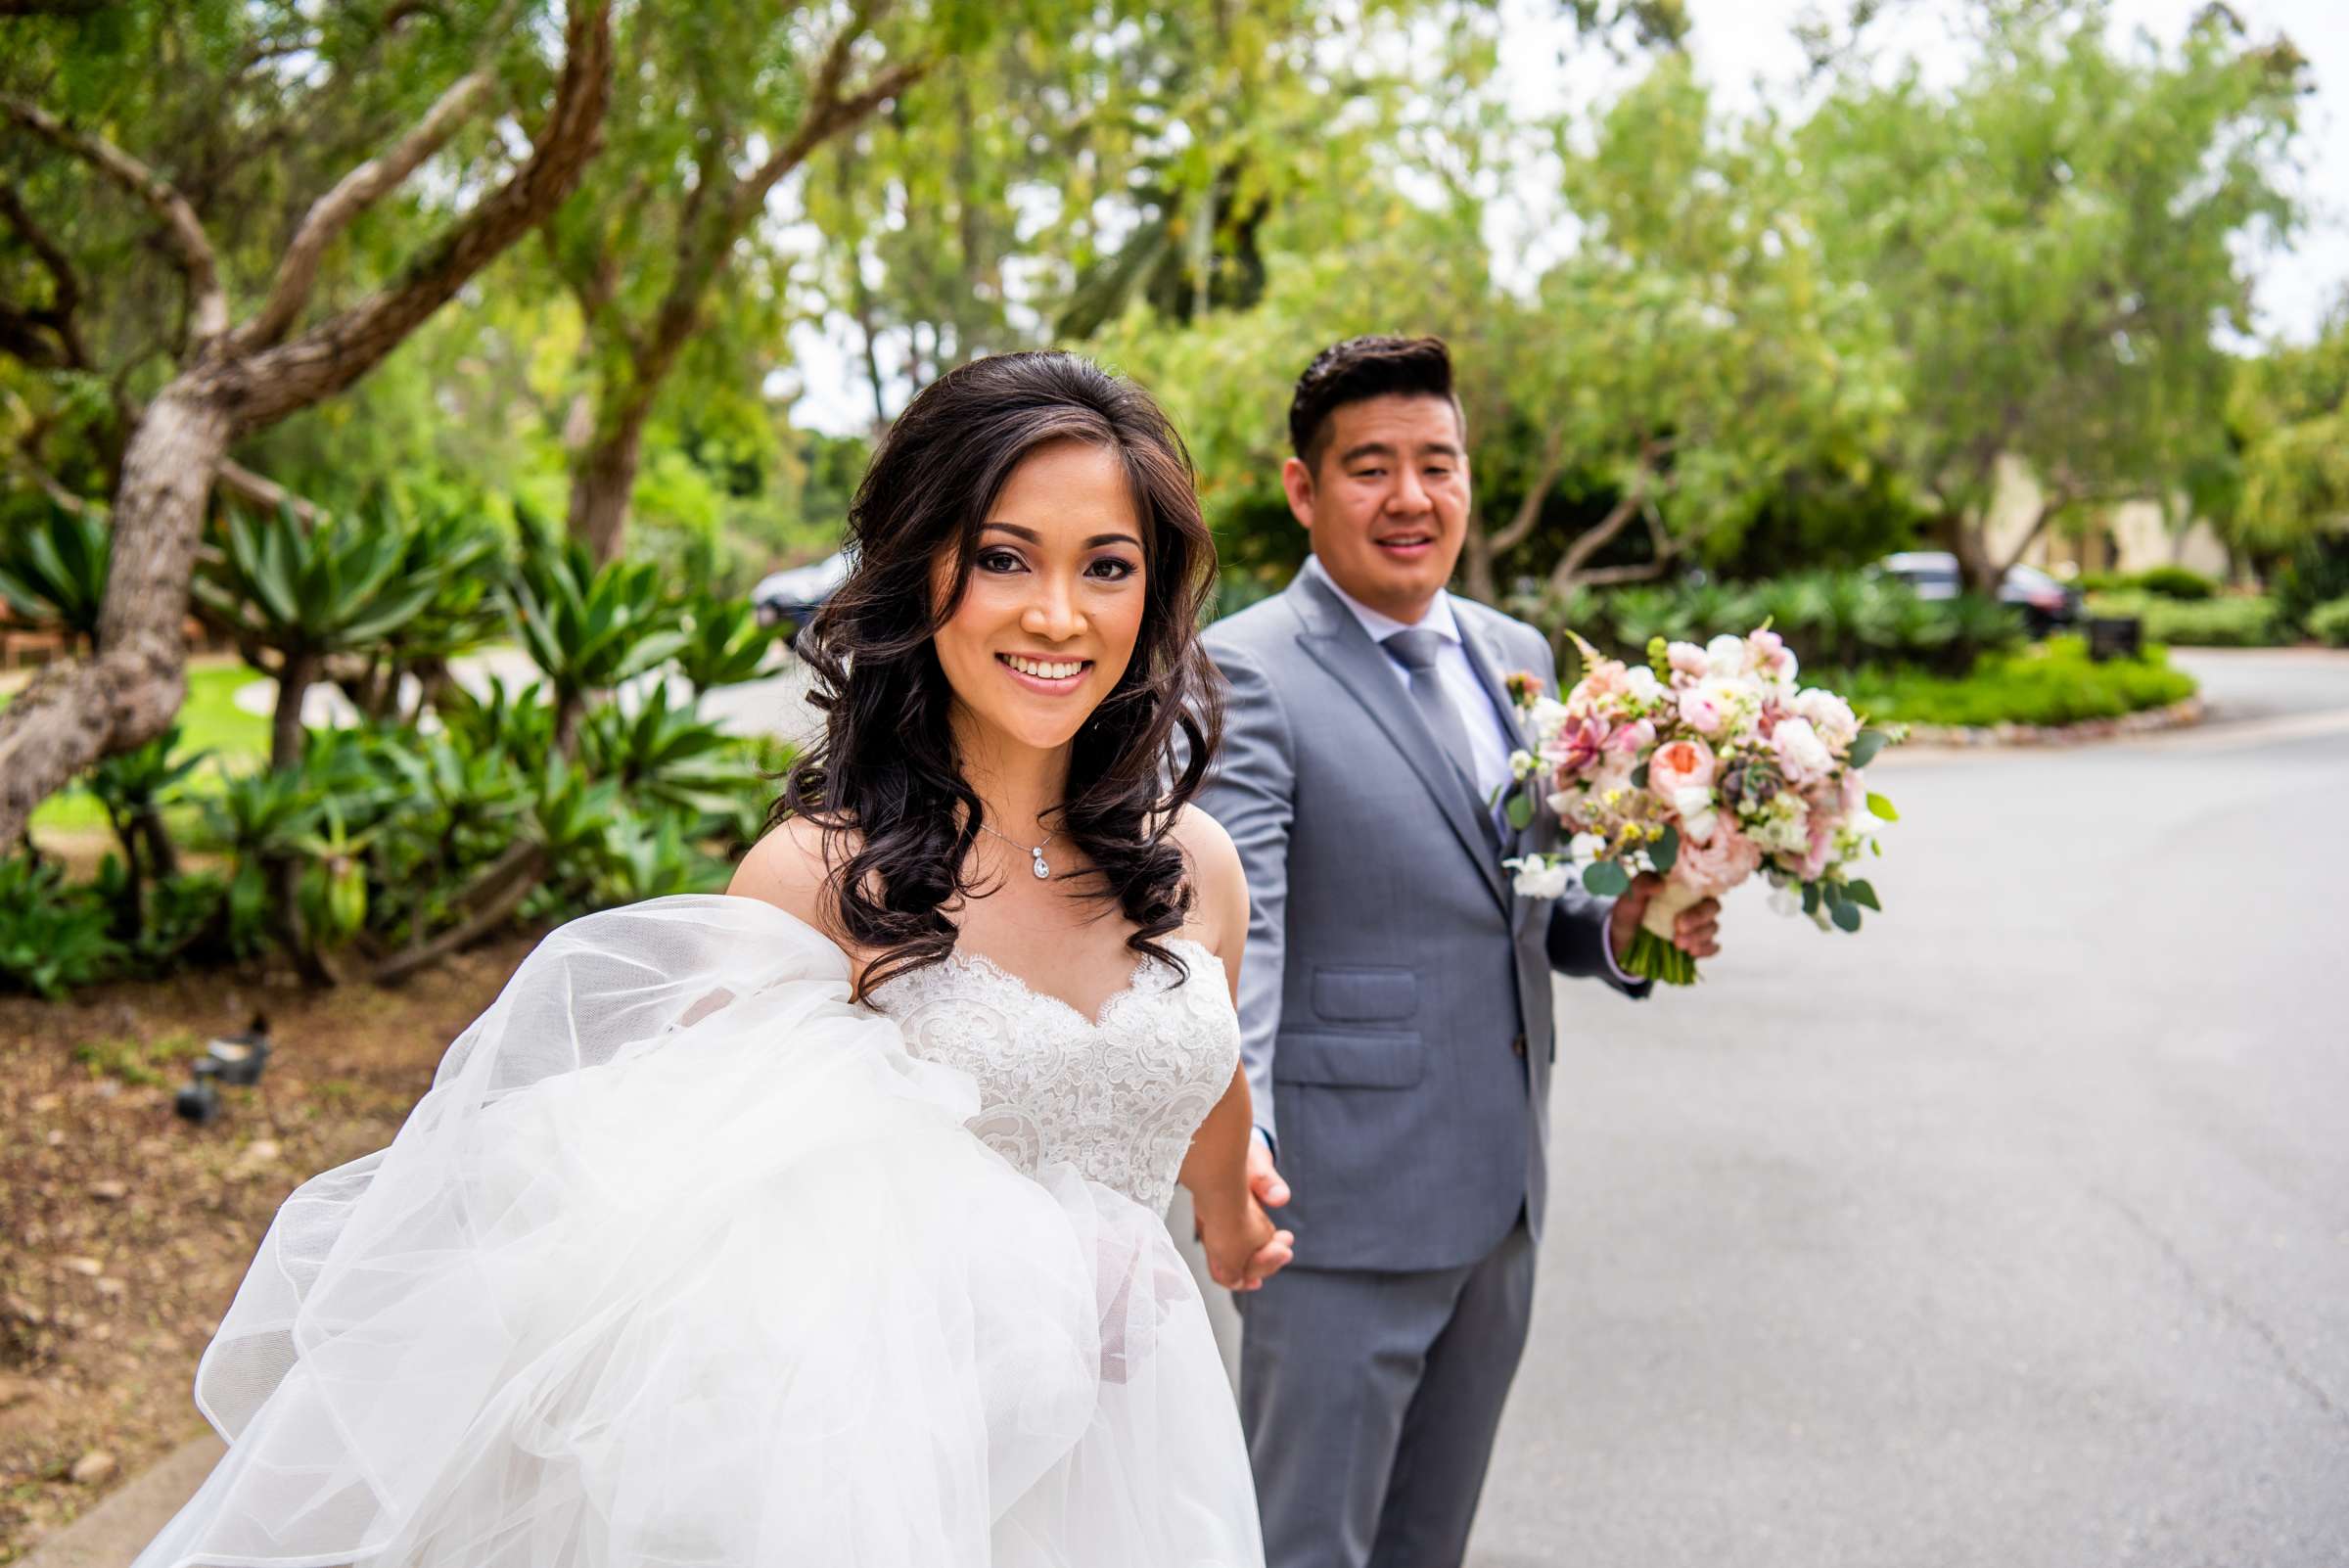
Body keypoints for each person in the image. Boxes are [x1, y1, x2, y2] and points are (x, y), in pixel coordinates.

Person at [131, 351, 1289, 1568]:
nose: (1060, 614)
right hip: (886, 1478)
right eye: (1004, 558)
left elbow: (1194, 1074)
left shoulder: (1196, 865)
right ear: (917, 572)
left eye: (1106, 566)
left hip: (1145, 1445)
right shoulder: (817, 884)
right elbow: (680, 1241)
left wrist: (1229, 1208)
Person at [1198, 336, 1722, 1568]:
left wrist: (1630, 923)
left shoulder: (1517, 655)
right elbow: (1240, 938)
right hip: (1338, 1211)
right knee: (1308, 1544)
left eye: (1437, 464)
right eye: (1370, 467)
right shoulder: (1249, 673)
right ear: (1300, 489)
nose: (1411, 498)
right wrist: (1247, 1149)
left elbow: (1530, 899)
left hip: (1503, 1196)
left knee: (1430, 1544)